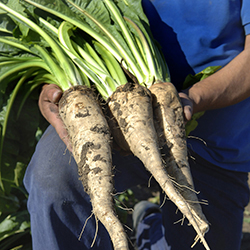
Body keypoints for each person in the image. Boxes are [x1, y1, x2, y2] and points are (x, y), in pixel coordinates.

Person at [23, 0, 250, 249]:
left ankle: (149, 230)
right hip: (110, 114)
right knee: (52, 178)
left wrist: (193, 99)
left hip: (216, 134)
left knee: (199, 229)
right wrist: (51, 88)